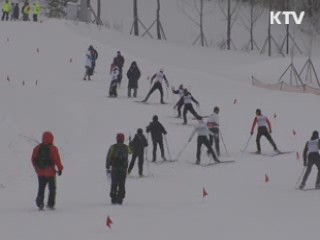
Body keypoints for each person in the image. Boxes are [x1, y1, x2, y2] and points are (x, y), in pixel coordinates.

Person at [31, 131, 64, 210]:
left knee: (41, 188)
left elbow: (33, 159)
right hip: (50, 173)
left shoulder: (37, 148)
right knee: (52, 189)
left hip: (40, 173)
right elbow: (57, 160)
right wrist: (60, 169)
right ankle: (50, 204)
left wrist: (36, 168)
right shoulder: (53, 148)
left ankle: (40, 204)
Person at [106, 133, 129, 205]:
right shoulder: (126, 147)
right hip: (123, 168)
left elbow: (109, 156)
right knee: (122, 184)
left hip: (115, 168)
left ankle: (113, 198)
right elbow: (131, 153)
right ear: (123, 139)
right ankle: (120, 198)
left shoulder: (113, 147)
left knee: (114, 183)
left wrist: (107, 166)